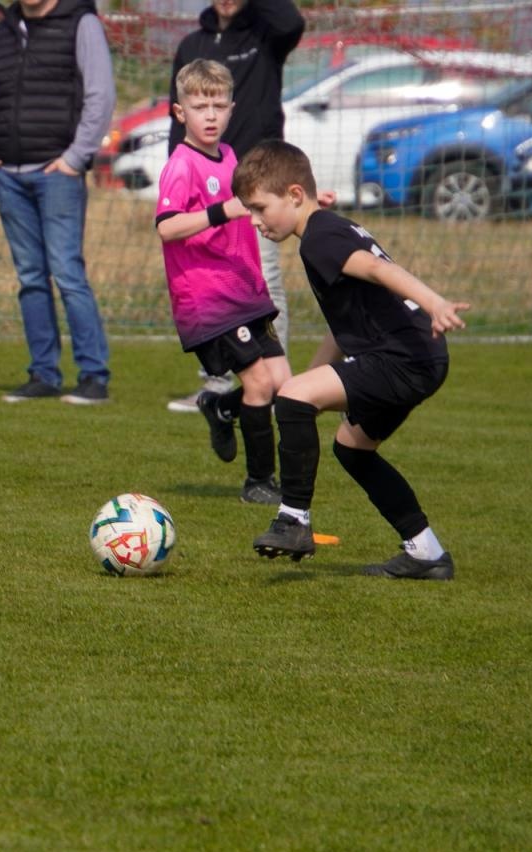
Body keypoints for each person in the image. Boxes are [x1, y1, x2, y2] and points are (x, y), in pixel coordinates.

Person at [234, 140, 467, 579]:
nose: (254, 220)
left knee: (298, 398)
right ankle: (426, 552)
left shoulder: (319, 239)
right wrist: (303, 389)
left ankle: (293, 520)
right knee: (353, 449)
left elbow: (379, 270)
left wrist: (435, 302)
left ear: (295, 195)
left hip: (402, 358)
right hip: (419, 355)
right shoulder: (330, 228)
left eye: (260, 208)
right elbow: (343, 328)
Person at [0, 0, 116, 405]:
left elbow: (101, 95)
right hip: (8, 175)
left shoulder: (82, 23)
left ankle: (93, 376)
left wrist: (75, 158)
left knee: (68, 273)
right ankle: (43, 374)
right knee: (31, 277)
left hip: (58, 175)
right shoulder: (3, 30)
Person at [155, 60, 288, 504]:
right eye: (199, 107)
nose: (210, 116)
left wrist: (301, 205)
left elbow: (252, 203)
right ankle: (259, 482)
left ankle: (220, 407)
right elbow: (167, 227)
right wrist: (219, 211)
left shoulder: (230, 156)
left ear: (232, 108)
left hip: (246, 289)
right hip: (209, 295)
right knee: (259, 383)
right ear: (180, 113)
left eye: (218, 106)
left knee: (281, 381)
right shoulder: (181, 165)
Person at [166, 0, 304, 413]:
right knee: (215, 285)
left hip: (257, 185)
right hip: (209, 196)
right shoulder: (192, 44)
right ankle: (219, 383)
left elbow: (292, 22)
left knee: (263, 280)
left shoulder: (265, 34)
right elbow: (177, 125)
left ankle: (276, 384)